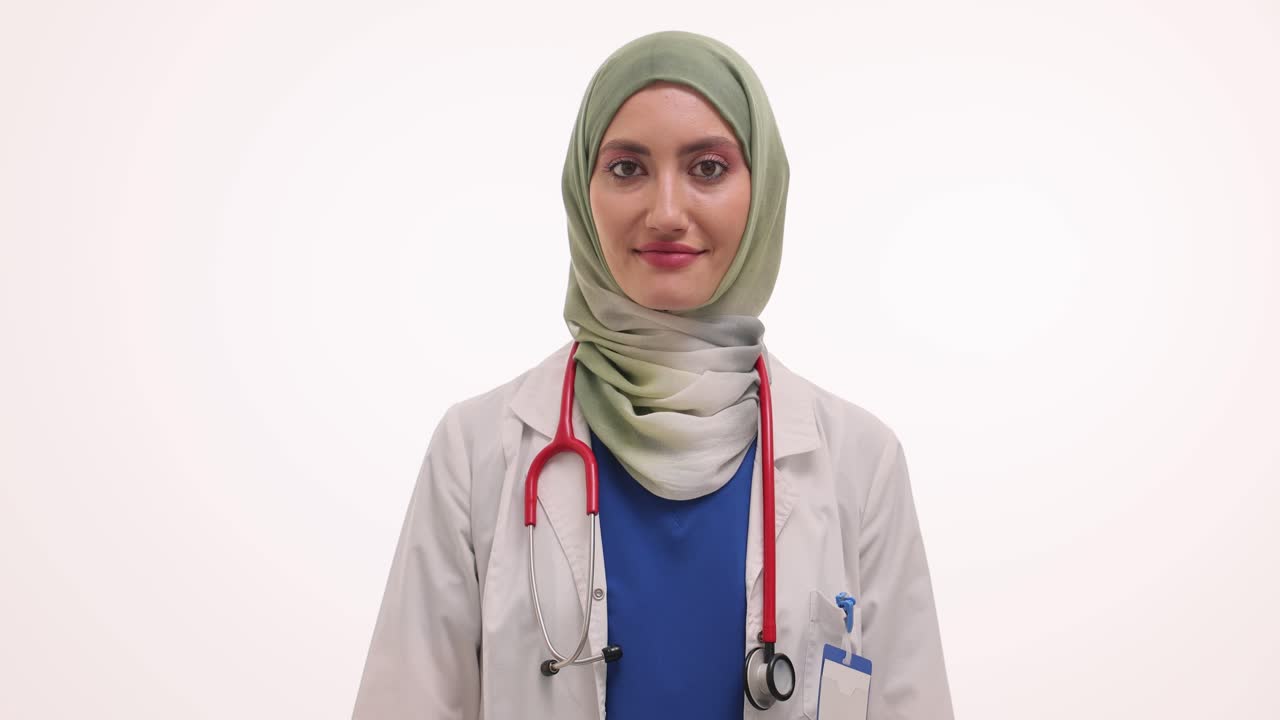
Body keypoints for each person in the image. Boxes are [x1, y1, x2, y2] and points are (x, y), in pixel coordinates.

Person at [352, 30, 953, 720]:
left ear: (763, 191)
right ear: (583, 192)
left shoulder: (860, 464)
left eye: (708, 168)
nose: (666, 213)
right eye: (627, 168)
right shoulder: (476, 451)